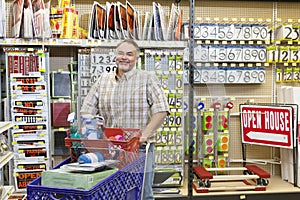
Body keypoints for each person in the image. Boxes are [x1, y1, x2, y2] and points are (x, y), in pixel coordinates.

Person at [80, 39, 169, 200]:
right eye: (121, 53)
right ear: (115, 56)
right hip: (109, 150)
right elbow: (86, 110)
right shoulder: (103, 80)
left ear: (137, 58)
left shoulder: (147, 79)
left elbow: (161, 110)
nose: (124, 57)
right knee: (112, 193)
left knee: (141, 194)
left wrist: (143, 136)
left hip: (139, 150)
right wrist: (92, 131)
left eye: (129, 54)